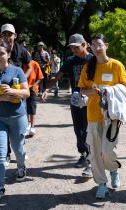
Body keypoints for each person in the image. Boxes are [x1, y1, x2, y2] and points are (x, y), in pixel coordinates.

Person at [78, 34, 126, 199]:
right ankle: (101, 183)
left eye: (99, 44)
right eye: (93, 45)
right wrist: (93, 91)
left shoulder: (116, 65)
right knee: (95, 152)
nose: (96, 47)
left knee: (107, 151)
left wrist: (110, 91)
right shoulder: (89, 67)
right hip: (93, 115)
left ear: (106, 45)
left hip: (112, 115)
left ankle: (113, 169)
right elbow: (82, 90)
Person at [0, 41, 30, 200]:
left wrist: (14, 93)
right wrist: (2, 97)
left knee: (18, 149)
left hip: (17, 117)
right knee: (0, 153)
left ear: (8, 55)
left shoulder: (17, 71)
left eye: (2, 53)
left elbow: (27, 92)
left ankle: (21, 166)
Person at [41, 34, 93, 176]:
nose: (74, 50)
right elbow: (58, 76)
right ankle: (83, 154)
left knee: (90, 129)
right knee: (78, 129)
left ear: (84, 45)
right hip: (76, 99)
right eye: (72, 48)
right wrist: (46, 89)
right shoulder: (70, 61)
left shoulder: (93, 59)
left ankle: (91, 160)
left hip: (92, 99)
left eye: (77, 47)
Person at [0, 23, 32, 167]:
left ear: (15, 36)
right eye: (4, 34)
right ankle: (6, 154)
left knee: (17, 126)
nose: (7, 37)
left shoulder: (21, 49)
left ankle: (19, 151)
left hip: (16, 93)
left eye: (9, 34)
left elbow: (30, 66)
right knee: (0, 124)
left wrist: (23, 78)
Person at [23, 60, 44, 136]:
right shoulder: (19, 63)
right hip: (22, 89)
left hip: (32, 89)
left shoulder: (34, 63)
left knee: (32, 107)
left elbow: (40, 77)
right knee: (24, 107)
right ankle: (27, 125)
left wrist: (34, 85)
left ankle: (32, 126)